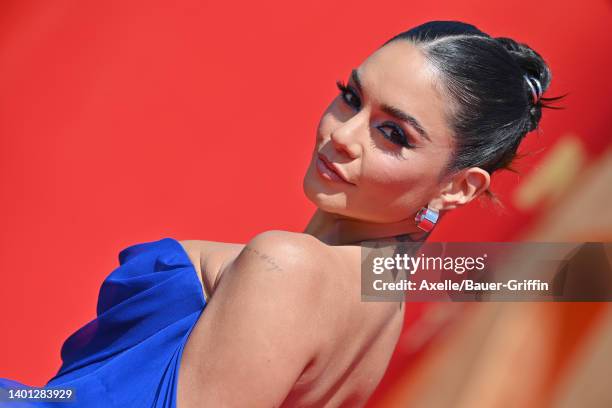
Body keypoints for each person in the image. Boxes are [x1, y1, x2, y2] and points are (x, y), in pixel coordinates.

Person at [0, 20, 561, 408]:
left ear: (460, 188)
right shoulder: (378, 314)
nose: (341, 135)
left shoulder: (288, 266)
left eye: (393, 133)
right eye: (350, 96)